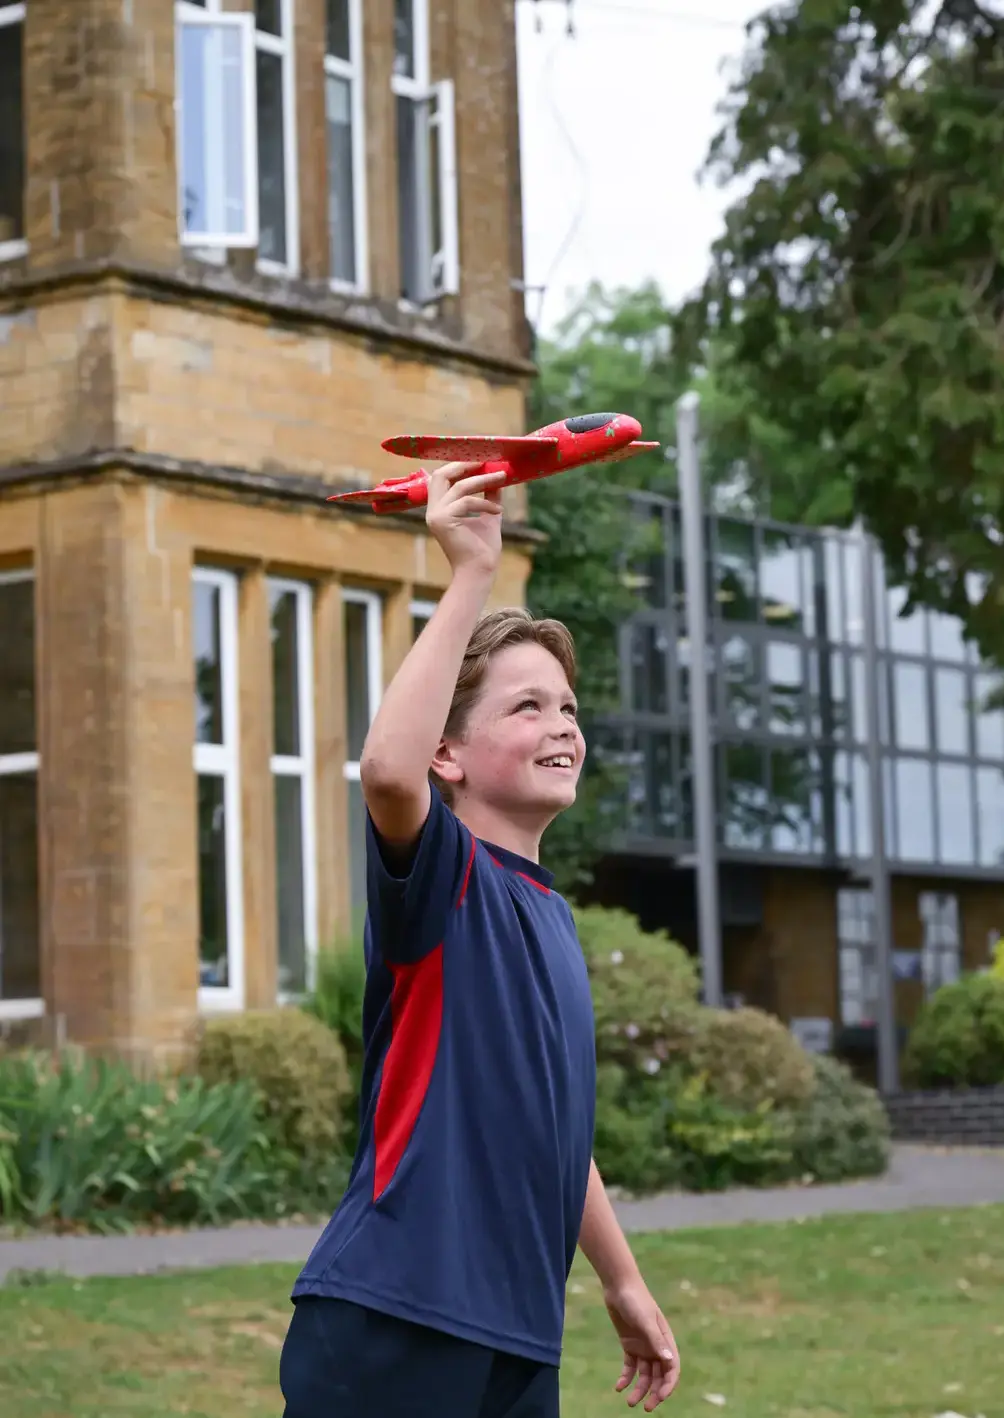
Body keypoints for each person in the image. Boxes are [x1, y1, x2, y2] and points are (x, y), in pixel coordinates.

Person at [280, 461, 681, 1417]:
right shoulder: (445, 880)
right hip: (395, 1318)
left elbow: (552, 1124)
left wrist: (622, 1282)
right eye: (527, 706)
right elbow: (385, 770)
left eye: (569, 708)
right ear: (448, 755)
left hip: (517, 1340)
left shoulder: (549, 914)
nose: (563, 726)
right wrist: (469, 577)